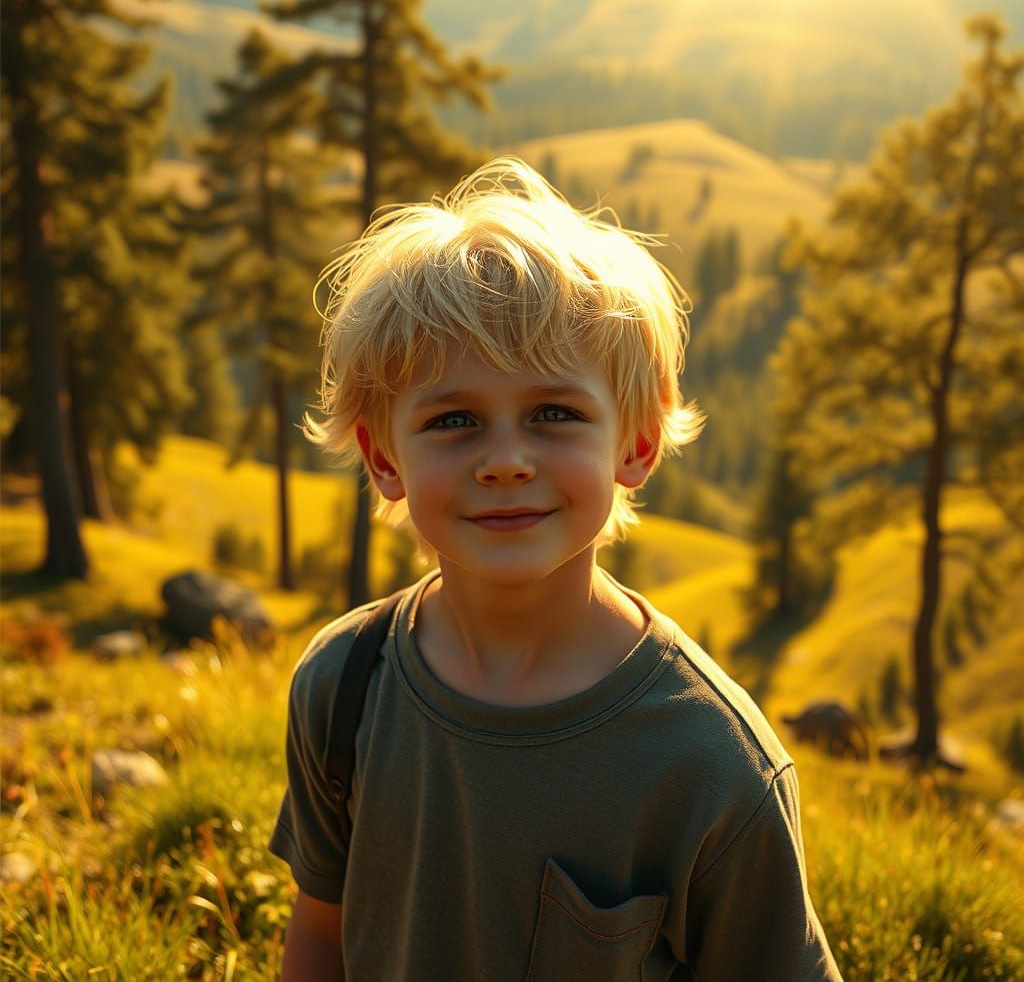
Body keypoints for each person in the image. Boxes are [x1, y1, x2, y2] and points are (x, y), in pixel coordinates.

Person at [269, 156, 842, 981]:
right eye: (455, 418)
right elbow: (321, 936)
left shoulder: (708, 760)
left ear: (637, 443)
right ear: (384, 457)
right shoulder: (344, 685)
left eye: (554, 413)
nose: (505, 460)